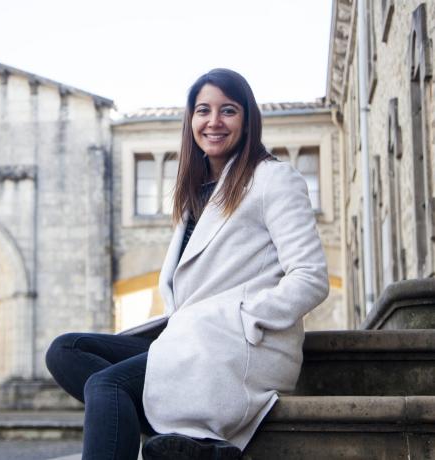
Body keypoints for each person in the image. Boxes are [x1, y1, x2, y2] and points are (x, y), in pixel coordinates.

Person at [45, 68, 329, 460]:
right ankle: (195, 446)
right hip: (189, 341)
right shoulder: (193, 196)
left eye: (227, 110)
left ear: (247, 121)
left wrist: (246, 319)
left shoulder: (273, 180)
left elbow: (310, 277)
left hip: (236, 343)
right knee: (66, 350)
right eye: (203, 111)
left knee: (107, 387)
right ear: (190, 121)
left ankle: (196, 446)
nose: (213, 122)